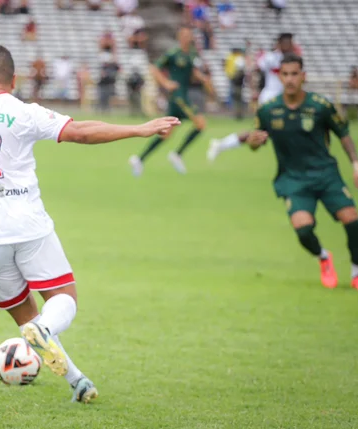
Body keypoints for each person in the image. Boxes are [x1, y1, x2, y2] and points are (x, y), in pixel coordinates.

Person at [0, 44, 181, 403]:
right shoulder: (26, 111)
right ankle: (45, 331)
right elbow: (82, 131)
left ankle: (77, 381)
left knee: (25, 317)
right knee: (63, 300)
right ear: (14, 79)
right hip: (28, 224)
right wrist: (140, 129)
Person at [245, 54, 358, 288]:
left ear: (303, 76)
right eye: (285, 74)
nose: (290, 79)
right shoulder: (268, 109)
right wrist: (254, 142)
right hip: (293, 179)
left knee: (352, 220)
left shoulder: (320, 105)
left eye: (294, 74)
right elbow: (256, 141)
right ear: (279, 76)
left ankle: (356, 269)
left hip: (326, 174)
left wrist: (355, 163)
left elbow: (344, 134)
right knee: (303, 229)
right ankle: (323, 257)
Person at [129, 27, 215, 175]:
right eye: (185, 35)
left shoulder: (192, 54)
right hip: (178, 96)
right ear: (180, 37)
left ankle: (139, 159)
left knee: (166, 133)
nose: (187, 37)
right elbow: (154, 68)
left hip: (183, 95)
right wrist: (166, 83)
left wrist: (204, 79)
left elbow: (192, 71)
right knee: (200, 123)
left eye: (189, 35)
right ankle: (177, 155)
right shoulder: (173, 54)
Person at [208, 33, 295, 161]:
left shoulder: (293, 59)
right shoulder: (271, 57)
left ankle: (221, 144)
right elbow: (255, 70)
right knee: (261, 134)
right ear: (279, 43)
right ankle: (221, 144)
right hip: (270, 100)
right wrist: (254, 90)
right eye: (286, 42)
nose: (288, 45)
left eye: (290, 42)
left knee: (271, 133)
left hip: (285, 100)